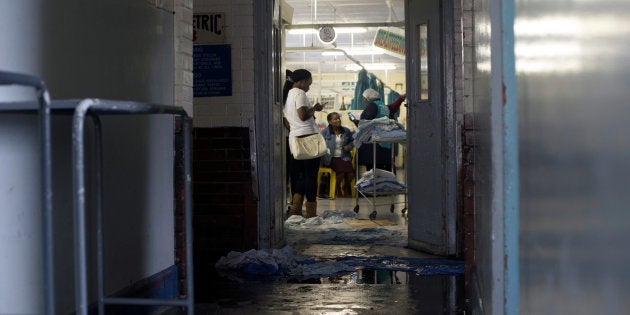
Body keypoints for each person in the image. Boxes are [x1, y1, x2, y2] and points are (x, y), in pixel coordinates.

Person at [283, 69, 325, 218]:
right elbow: (302, 116)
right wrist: (315, 108)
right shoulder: (300, 94)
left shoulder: (287, 95)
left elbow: (288, 122)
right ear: (303, 80)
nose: (309, 87)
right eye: (309, 83)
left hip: (295, 139)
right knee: (311, 177)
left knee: (300, 176)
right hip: (308, 139)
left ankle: (295, 210)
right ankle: (311, 213)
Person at [356, 88, 393, 172]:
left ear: (368, 98)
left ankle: (373, 184)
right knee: (383, 170)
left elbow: (365, 122)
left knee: (372, 169)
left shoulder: (372, 105)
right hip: (385, 141)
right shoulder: (384, 106)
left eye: (364, 98)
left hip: (374, 142)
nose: (364, 100)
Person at [321, 112, 355, 197]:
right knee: (341, 173)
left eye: (338, 118)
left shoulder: (346, 131)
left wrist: (349, 147)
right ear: (329, 121)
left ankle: (345, 187)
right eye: (335, 119)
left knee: (351, 174)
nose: (338, 120)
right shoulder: (325, 132)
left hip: (344, 157)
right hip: (331, 158)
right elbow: (320, 143)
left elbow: (352, 141)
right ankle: (337, 188)